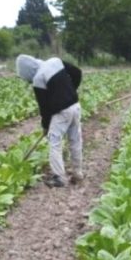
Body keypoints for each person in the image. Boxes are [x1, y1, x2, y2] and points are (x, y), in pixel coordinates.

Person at [16, 54, 83, 188]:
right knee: (75, 139)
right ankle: (78, 173)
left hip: (62, 112)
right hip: (75, 106)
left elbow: (44, 108)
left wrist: (46, 126)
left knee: (55, 143)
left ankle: (59, 178)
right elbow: (77, 72)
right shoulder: (55, 61)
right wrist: (71, 91)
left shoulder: (38, 79)